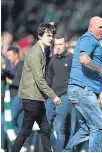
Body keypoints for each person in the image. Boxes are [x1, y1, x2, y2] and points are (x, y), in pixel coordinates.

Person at [64, 16, 102, 152]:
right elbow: (84, 59)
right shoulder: (89, 39)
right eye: (100, 27)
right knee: (98, 125)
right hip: (83, 89)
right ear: (90, 27)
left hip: (80, 90)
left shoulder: (92, 42)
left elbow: (93, 59)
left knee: (86, 128)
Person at [12, 23, 62, 152]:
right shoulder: (36, 53)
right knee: (25, 131)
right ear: (40, 36)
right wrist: (53, 96)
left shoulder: (41, 50)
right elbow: (39, 79)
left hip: (37, 98)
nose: (51, 38)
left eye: (52, 36)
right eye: (48, 35)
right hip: (31, 98)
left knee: (45, 130)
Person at [45, 33, 74, 151]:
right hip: (51, 96)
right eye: (56, 44)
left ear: (66, 44)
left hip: (65, 96)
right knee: (45, 126)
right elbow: (48, 79)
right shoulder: (52, 60)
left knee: (60, 127)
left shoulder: (72, 58)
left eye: (60, 44)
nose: (58, 47)